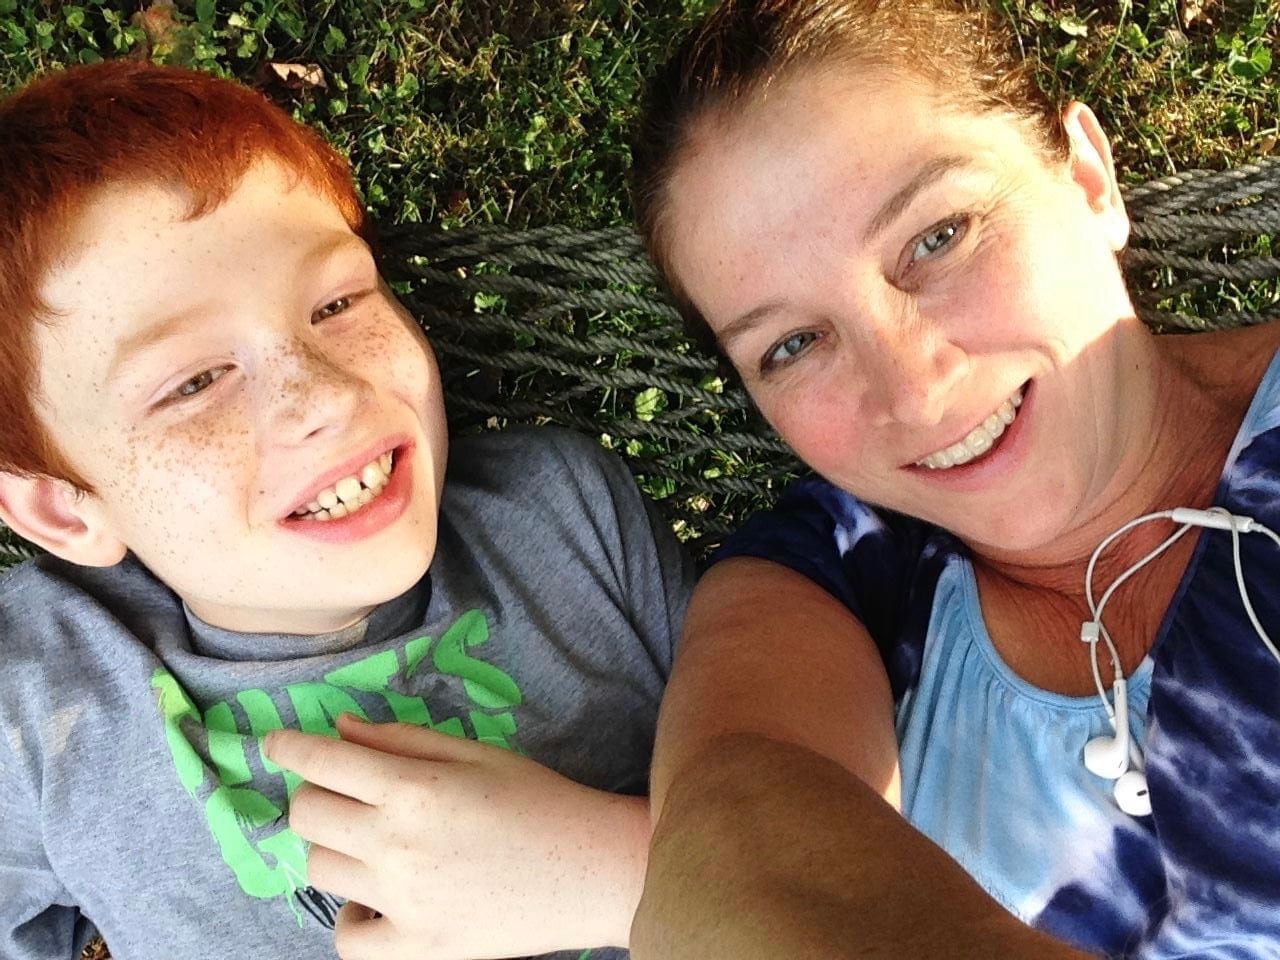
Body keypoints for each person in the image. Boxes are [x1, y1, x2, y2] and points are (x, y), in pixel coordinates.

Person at [623, 0, 1280, 957]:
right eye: (793, 344)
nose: (913, 388)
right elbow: (730, 825)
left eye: (939, 236)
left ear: (1089, 181)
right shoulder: (825, 581)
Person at [0, 60, 692, 960]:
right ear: (63, 512)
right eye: (195, 383)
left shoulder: (564, 518)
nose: (324, 395)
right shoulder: (42, 697)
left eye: (337, 303)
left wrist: (613, 871)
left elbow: (815, 810)